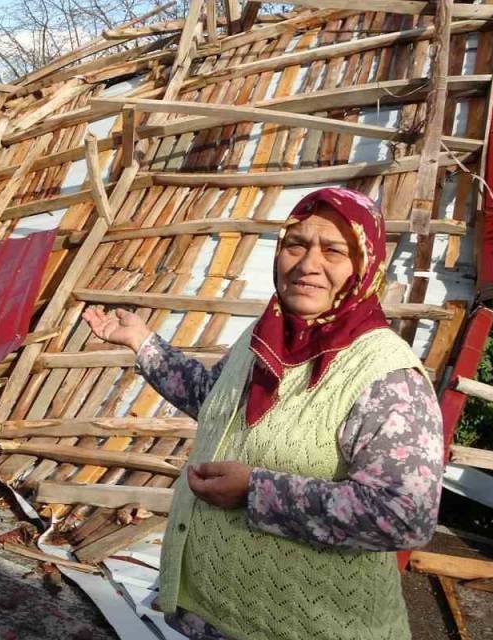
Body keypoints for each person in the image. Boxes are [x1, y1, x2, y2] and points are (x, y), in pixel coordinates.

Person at [84, 187, 444, 640]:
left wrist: (256, 490)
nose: (308, 264)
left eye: (333, 250)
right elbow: (214, 402)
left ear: (364, 265)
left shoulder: (387, 376)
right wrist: (143, 343)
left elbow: (404, 514)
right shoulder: (267, 336)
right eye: (296, 244)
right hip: (216, 614)